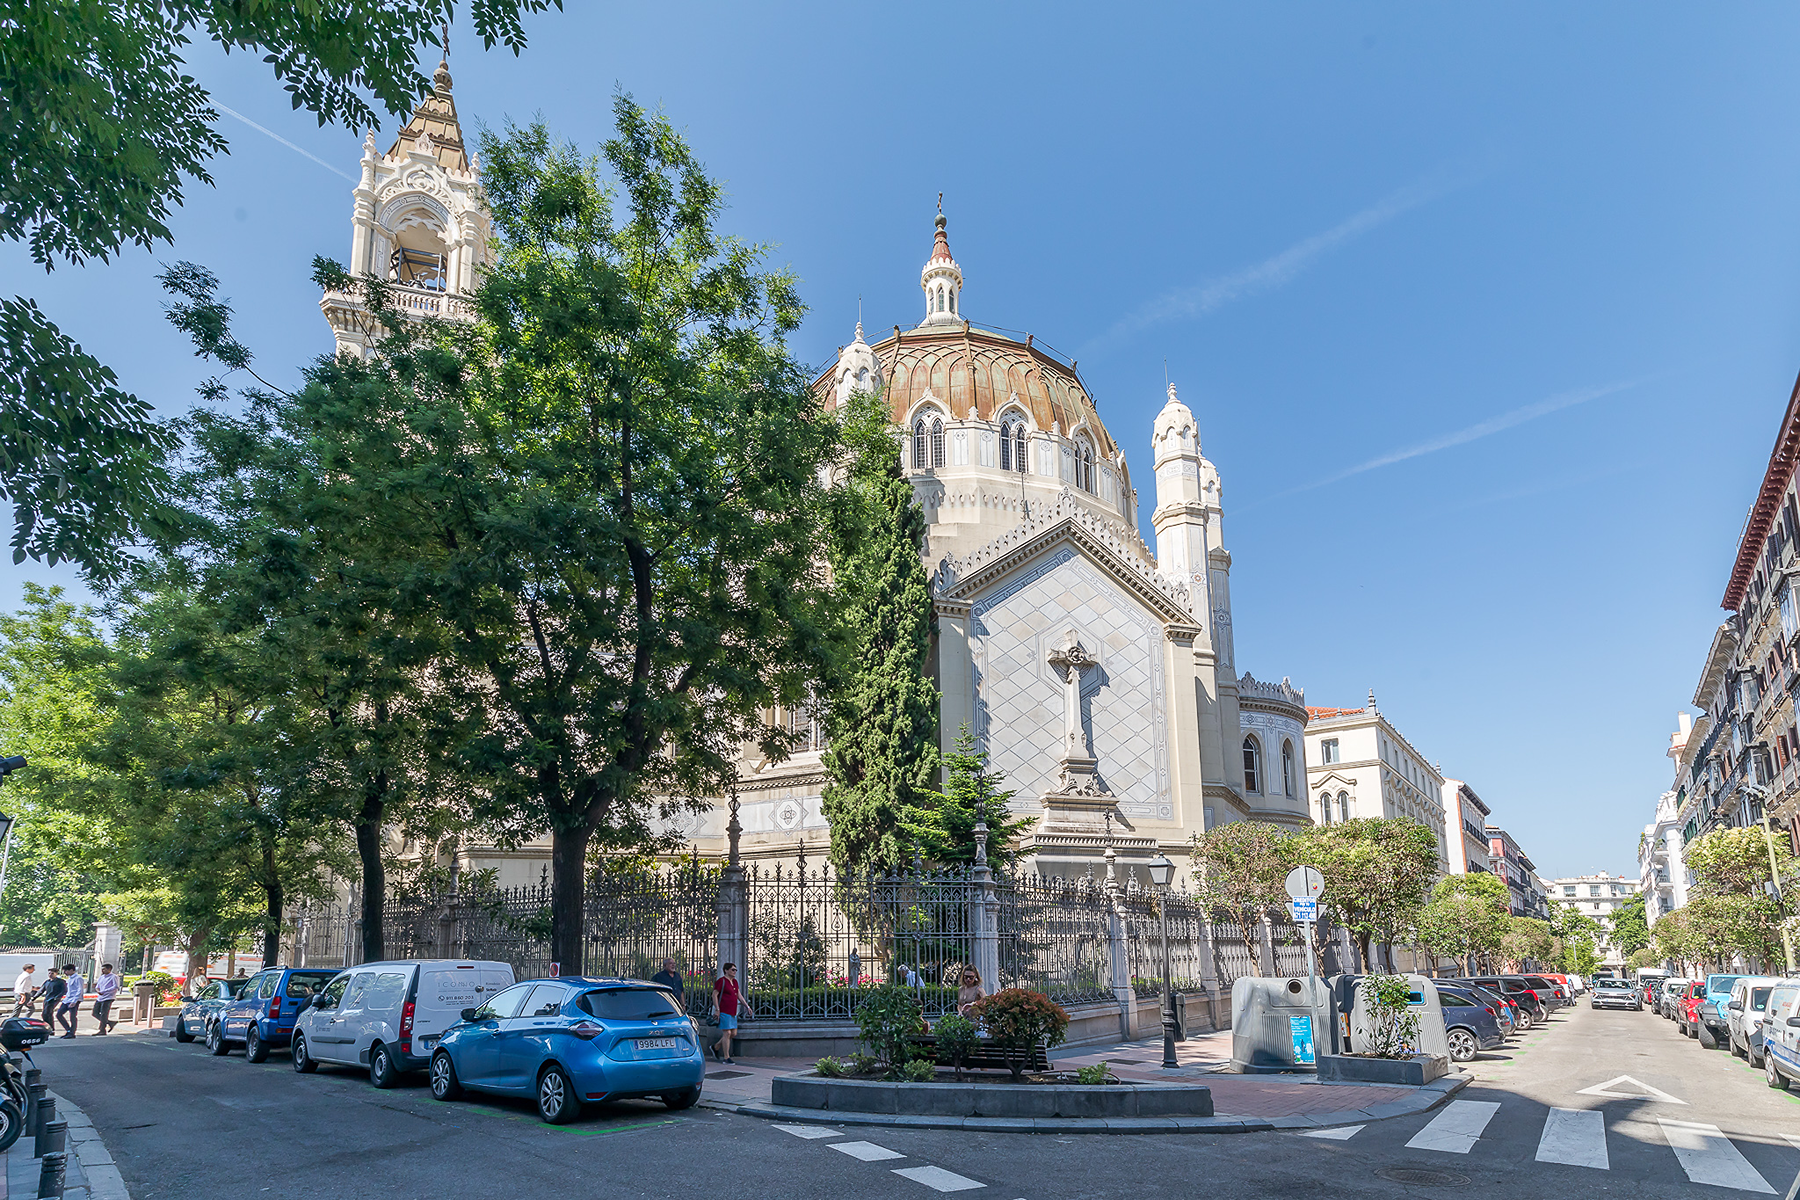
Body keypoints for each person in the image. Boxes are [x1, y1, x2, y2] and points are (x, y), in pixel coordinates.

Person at [712, 963, 751, 1065]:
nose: (734, 972)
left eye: (735, 970)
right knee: (727, 1033)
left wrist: (747, 1006)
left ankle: (716, 1047)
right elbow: (714, 994)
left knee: (733, 1033)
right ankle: (726, 1057)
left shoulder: (734, 982)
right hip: (724, 1010)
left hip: (733, 1011)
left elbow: (739, 995)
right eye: (733, 970)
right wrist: (717, 1008)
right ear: (726, 970)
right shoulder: (721, 981)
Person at [91, 964, 120, 1034]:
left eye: (104, 969)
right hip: (100, 997)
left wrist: (104, 991)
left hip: (108, 997)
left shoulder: (114, 977)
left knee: (104, 1013)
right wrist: (98, 990)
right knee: (95, 1012)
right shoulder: (101, 977)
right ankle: (110, 1022)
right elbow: (97, 986)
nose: (102, 970)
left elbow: (115, 987)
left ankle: (102, 1030)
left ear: (109, 969)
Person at [56, 966, 84, 1038]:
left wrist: (74, 1001)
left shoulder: (78, 978)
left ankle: (72, 1032)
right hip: (67, 999)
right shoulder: (69, 978)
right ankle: (68, 1030)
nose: (65, 973)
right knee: (59, 1014)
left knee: (72, 1016)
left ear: (71, 970)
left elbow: (79, 990)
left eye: (66, 971)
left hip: (74, 1000)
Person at [37, 965, 66, 1030]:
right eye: (49, 973)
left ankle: (51, 1028)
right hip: (47, 999)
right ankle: (48, 1027)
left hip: (54, 1000)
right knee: (44, 1014)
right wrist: (33, 998)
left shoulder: (60, 982)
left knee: (48, 1013)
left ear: (56, 973)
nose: (50, 975)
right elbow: (41, 990)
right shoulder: (47, 982)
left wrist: (57, 997)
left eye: (52, 973)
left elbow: (63, 991)